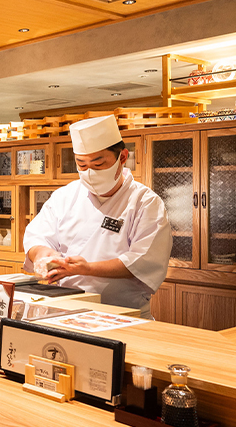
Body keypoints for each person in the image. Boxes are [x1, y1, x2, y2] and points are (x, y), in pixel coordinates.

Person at [23, 115, 172, 319]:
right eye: (82, 165)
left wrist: (88, 269)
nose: (90, 172)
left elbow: (143, 259)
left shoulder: (144, 202)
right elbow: (37, 236)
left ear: (122, 157)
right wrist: (43, 254)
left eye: (98, 164)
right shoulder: (65, 195)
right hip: (65, 308)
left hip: (124, 313)